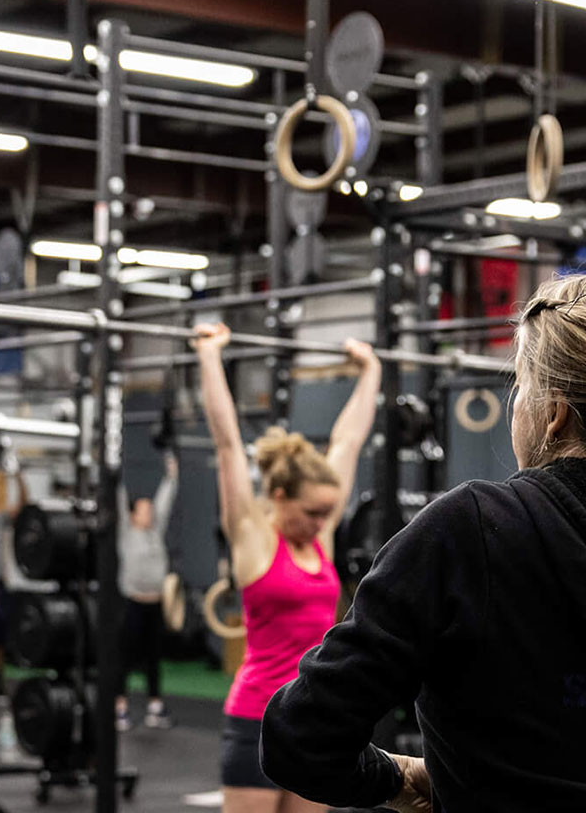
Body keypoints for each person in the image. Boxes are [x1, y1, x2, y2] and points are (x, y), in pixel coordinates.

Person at [258, 0, 586, 812]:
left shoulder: (471, 536)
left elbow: (300, 741)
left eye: (521, 384)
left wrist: (403, 779)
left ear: (556, 410)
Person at [191, 321, 381, 813]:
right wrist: (210, 356)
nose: (322, 522)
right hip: (256, 716)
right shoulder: (253, 536)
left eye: (327, 513)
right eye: (312, 513)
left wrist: (371, 371)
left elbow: (348, 441)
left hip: (314, 718)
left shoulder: (317, 537)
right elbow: (227, 443)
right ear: (278, 496)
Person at [116, 449, 179, 732]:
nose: (150, 512)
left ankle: (155, 707)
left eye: (150, 509)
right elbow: (118, 496)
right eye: (143, 509)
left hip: (156, 605)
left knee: (154, 658)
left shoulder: (156, 532)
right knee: (125, 658)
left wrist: (171, 473)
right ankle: (120, 708)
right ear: (132, 515)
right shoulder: (126, 533)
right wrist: (113, 468)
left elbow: (165, 500)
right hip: (132, 603)